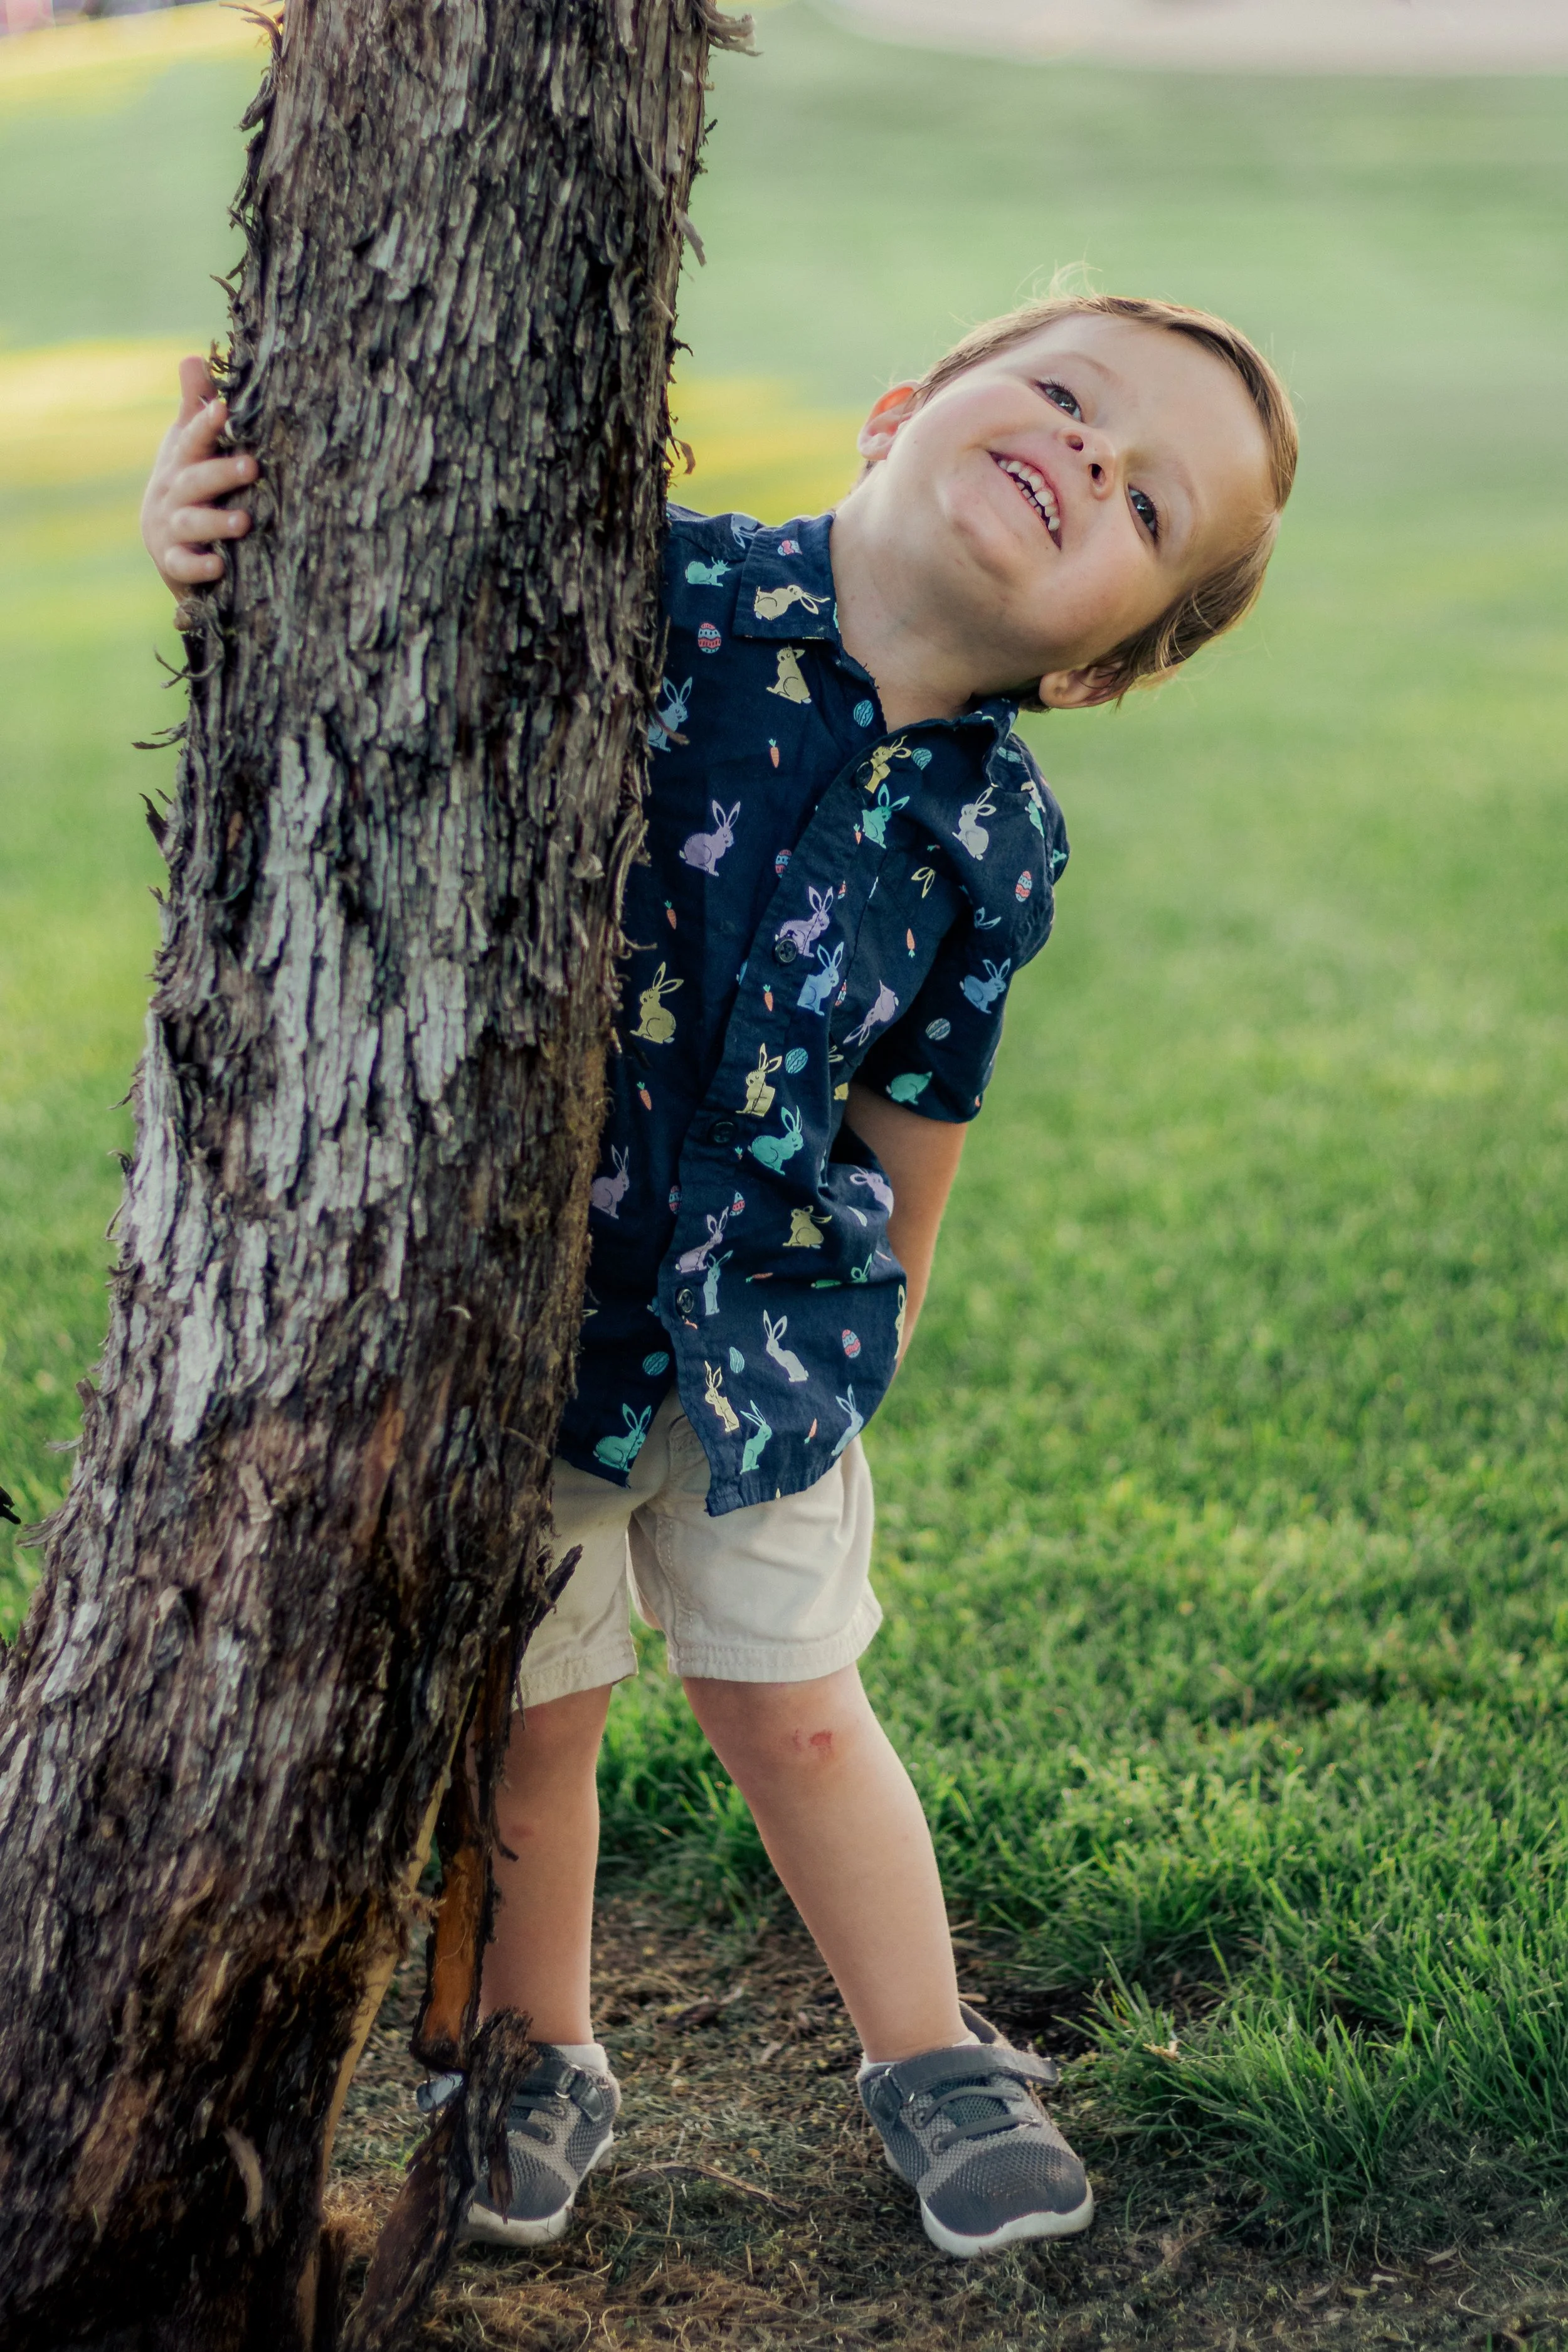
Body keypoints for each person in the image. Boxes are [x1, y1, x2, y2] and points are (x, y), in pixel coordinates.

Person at [140, 291, 1296, 2260]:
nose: (1089, 456)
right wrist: (205, 544)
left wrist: (893, 1306)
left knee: (804, 1708)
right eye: (1066, 398)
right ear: (899, 408)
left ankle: (929, 2049)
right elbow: (356, 667)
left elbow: (923, 1092)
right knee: (539, 1721)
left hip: (767, 1336)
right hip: (520, 1320)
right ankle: (532, 2048)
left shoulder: (993, 830)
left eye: (1148, 502)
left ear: (1106, 657)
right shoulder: (650, 590)